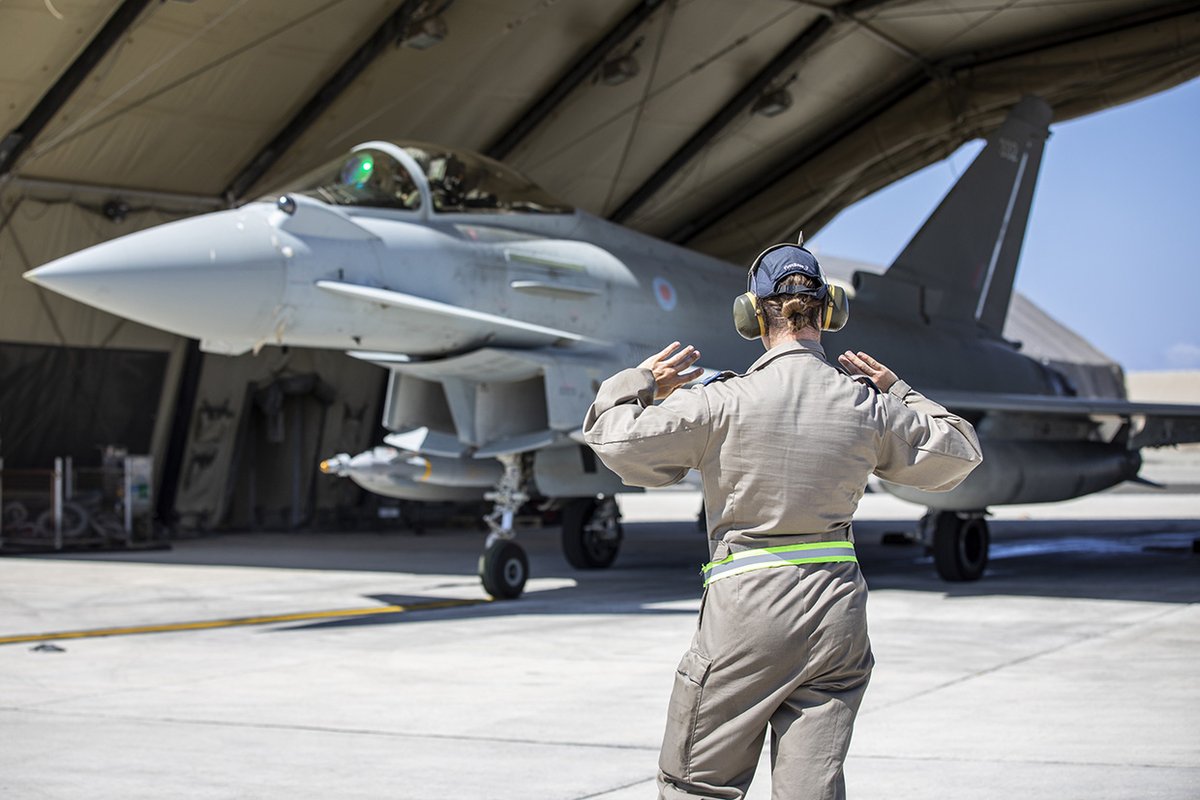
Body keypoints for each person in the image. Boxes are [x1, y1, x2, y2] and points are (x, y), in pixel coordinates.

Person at [582, 242, 982, 799]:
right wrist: (900, 390)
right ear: (829, 310)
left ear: (751, 315)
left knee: (698, 785)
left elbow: (615, 439)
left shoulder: (721, 401)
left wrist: (640, 382)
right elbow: (959, 453)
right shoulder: (866, 404)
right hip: (837, 616)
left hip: (747, 613)